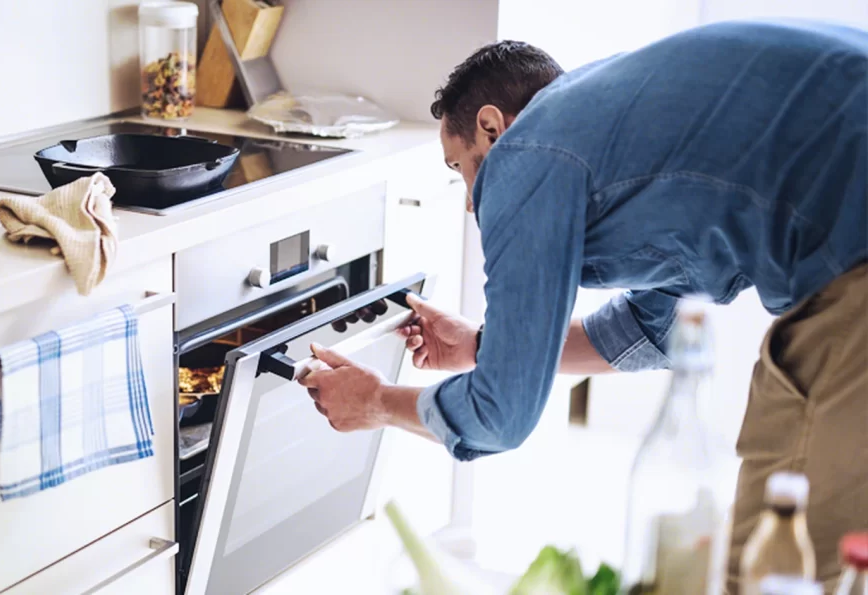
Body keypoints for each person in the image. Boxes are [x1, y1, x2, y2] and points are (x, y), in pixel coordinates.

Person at [297, 18, 867, 592]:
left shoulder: (528, 152)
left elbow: (502, 416)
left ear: (493, 128)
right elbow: (653, 328)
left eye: (461, 168)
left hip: (854, 266)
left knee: (772, 562)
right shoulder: (625, 131)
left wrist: (375, 403)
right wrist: (482, 347)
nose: (472, 204)